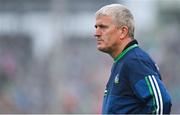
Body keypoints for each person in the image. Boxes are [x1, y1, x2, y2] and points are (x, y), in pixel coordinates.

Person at [94, 4, 172, 114]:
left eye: (103, 27)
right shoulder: (122, 61)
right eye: (96, 27)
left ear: (123, 32)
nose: (96, 33)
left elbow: (161, 103)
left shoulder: (135, 61)